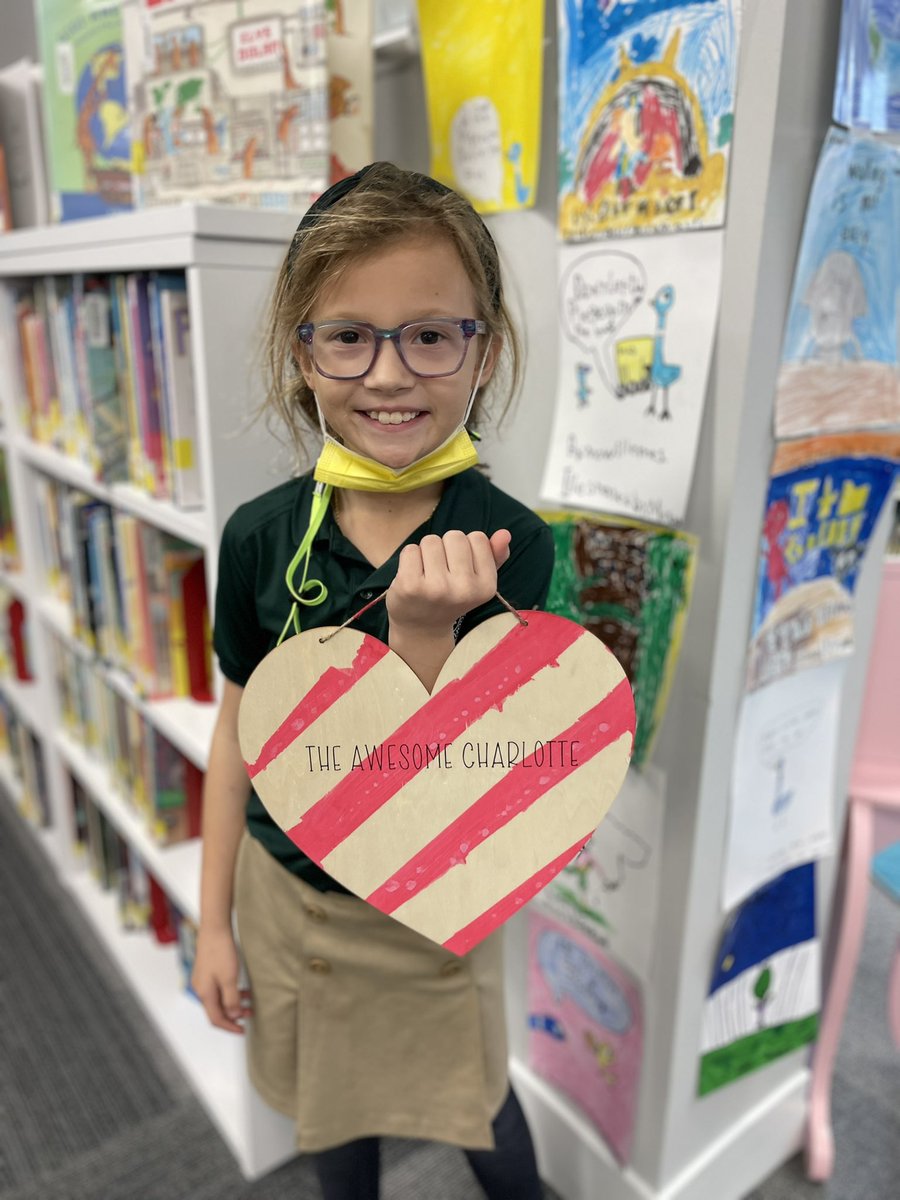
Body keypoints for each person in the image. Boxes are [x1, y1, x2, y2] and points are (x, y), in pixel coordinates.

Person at [192, 161, 555, 1200]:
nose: (390, 374)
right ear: (299, 354)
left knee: (479, 1106)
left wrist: (424, 639)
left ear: (483, 353)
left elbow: (469, 798)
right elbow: (238, 735)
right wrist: (214, 922)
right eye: (349, 334)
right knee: (330, 1122)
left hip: (430, 918)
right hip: (288, 902)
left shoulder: (512, 548)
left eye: (433, 333)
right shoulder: (261, 539)